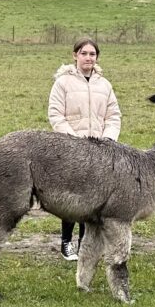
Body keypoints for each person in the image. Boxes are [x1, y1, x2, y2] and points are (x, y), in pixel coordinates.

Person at [48, 36, 121, 260]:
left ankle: (84, 244)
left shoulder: (104, 85)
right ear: (75, 56)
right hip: (71, 149)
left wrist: (107, 140)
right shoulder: (63, 83)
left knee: (92, 200)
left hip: (98, 150)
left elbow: (113, 116)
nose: (88, 58)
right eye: (84, 53)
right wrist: (74, 140)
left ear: (96, 57)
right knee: (72, 199)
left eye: (92, 54)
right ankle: (66, 242)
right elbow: (55, 115)